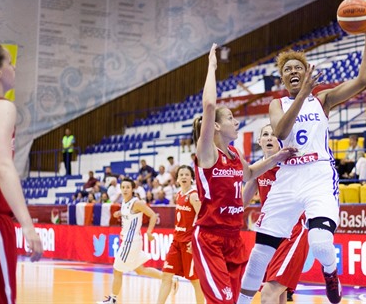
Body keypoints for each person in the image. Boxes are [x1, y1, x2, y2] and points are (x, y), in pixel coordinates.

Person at [238, 21, 366, 304]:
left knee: (321, 242)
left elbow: (362, 80)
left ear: (307, 71)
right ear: (283, 79)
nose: (292, 71)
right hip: (287, 177)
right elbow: (281, 132)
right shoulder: (278, 104)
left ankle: (330, 271)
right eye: (287, 69)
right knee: (258, 255)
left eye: (298, 67)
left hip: (317, 174)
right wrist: (302, 95)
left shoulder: (322, 99)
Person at [191, 44, 295, 304]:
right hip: (210, 237)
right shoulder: (208, 152)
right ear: (215, 125)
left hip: (234, 238)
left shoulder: (235, 154)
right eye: (230, 118)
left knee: (236, 300)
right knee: (223, 301)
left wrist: (277, 158)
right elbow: (209, 105)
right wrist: (212, 67)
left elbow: (248, 174)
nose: (236, 122)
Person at [0, 42, 43, 304]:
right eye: (9, 63)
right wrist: (28, 226)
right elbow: (1, 166)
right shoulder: (1, 108)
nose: (14, 67)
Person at [242, 124, 309, 304]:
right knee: (278, 295)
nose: (270, 137)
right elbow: (240, 203)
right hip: (270, 233)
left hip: (293, 232)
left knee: (268, 293)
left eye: (274, 135)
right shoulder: (257, 168)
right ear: (260, 141)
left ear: (281, 142)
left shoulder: (291, 166)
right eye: (265, 134)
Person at [98, 178, 163, 304]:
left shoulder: (136, 203)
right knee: (140, 270)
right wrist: (119, 213)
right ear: (120, 189)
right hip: (130, 241)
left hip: (131, 241)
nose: (125, 189)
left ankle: (113, 300)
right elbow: (129, 214)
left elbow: (153, 215)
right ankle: (169, 278)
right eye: (123, 187)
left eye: (128, 187)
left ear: (132, 189)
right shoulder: (124, 202)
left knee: (117, 270)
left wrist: (149, 232)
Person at [156, 165, 204, 304]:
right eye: (181, 174)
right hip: (176, 241)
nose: (183, 176)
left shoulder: (193, 195)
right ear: (177, 179)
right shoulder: (178, 195)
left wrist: (195, 240)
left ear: (191, 178)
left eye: (186, 174)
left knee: (195, 280)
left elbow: (202, 218)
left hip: (189, 243)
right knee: (166, 275)